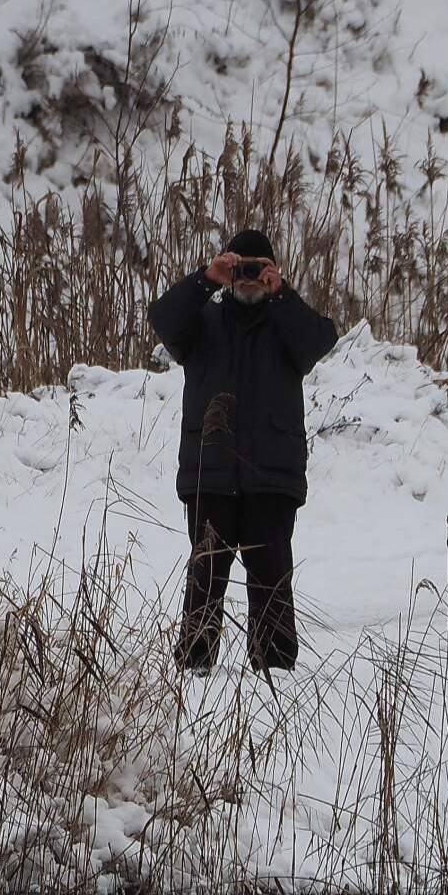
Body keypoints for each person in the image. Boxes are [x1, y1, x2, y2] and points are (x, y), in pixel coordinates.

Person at [147, 229, 340, 674]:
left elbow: (319, 342)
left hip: (271, 480)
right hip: (210, 474)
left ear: (273, 272)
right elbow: (163, 319)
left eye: (258, 268)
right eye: (241, 268)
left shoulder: (287, 325)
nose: (249, 278)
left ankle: (273, 671)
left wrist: (283, 295)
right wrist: (205, 279)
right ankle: (195, 668)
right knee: (205, 578)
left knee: (272, 581)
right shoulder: (201, 325)